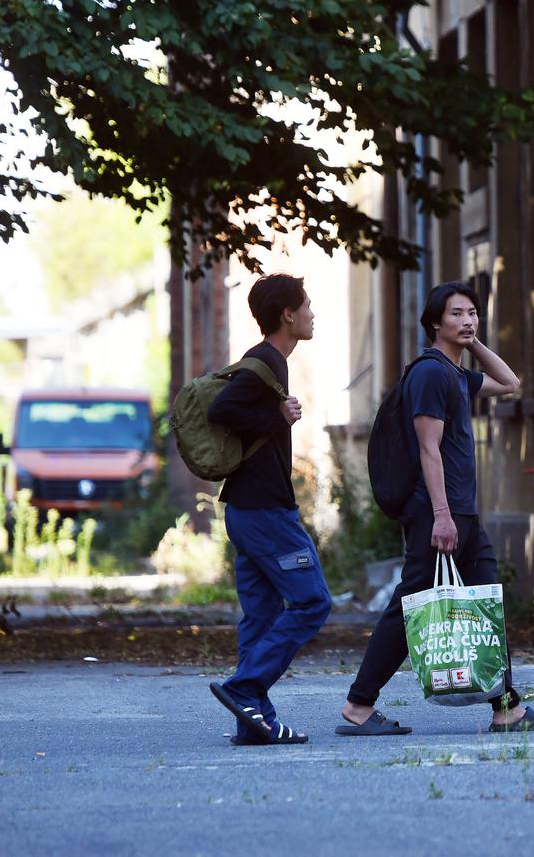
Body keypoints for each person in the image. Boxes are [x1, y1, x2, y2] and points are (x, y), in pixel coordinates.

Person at [338, 280, 534, 736]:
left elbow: (510, 382)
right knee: (410, 607)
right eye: (457, 314)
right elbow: (429, 449)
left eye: (473, 313)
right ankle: (359, 706)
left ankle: (505, 707)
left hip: (461, 512)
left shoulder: (456, 374)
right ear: (434, 322)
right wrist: (441, 515)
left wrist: (474, 341)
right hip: (435, 513)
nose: (467, 320)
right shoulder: (430, 374)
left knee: (484, 606)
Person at [206, 273, 332, 744]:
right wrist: (274, 416)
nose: (313, 313)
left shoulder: (272, 363)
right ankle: (245, 688)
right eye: (308, 305)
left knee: (260, 617)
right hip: (263, 511)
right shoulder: (264, 361)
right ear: (288, 315)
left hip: (247, 509)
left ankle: (253, 723)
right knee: (312, 600)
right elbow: (222, 411)